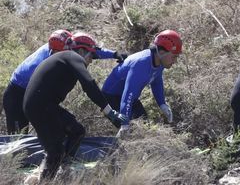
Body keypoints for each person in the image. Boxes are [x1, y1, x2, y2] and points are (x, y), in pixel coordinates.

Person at [23, 32, 126, 181]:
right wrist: (109, 112)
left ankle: (63, 169)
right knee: (55, 151)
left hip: (42, 105)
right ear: (82, 51)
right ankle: (46, 180)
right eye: (91, 55)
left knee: (77, 132)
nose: (91, 60)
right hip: (40, 106)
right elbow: (89, 84)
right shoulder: (72, 56)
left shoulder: (67, 58)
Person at [102, 29, 182, 138]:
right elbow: (127, 96)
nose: (175, 61)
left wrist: (162, 104)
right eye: (174, 57)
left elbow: (156, 81)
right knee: (132, 133)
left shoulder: (159, 60)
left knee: (145, 128)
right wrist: (124, 125)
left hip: (129, 98)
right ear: (162, 52)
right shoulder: (140, 65)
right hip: (111, 98)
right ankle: (114, 151)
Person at [2, 29, 73, 134]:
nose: (70, 50)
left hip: (28, 93)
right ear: (56, 51)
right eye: (67, 49)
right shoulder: (41, 64)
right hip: (16, 96)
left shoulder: (57, 44)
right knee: (17, 138)